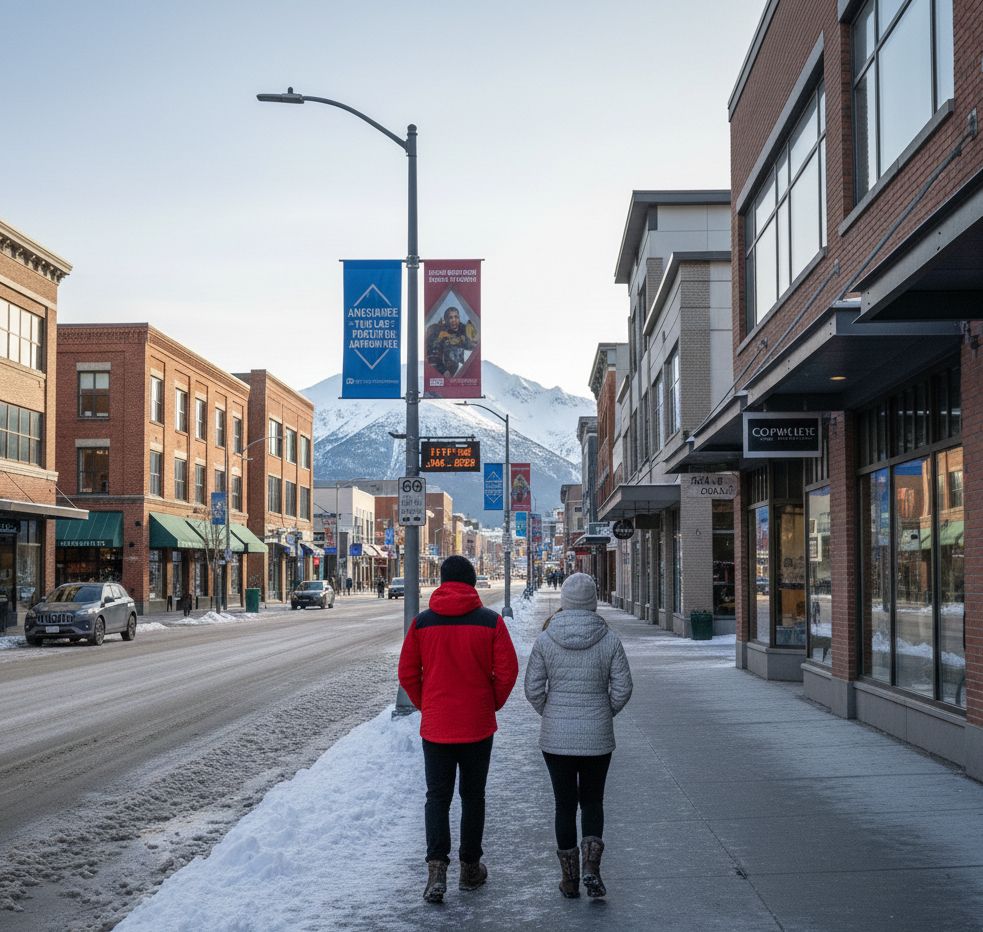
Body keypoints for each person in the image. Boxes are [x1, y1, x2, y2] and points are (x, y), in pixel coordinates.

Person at [398, 555, 519, 905]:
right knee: (473, 796)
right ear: (472, 582)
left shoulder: (422, 624)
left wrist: (428, 704)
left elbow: (407, 673)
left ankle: (436, 870)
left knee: (437, 798)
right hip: (477, 725)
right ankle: (470, 868)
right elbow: (507, 671)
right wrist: (489, 702)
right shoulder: (491, 622)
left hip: (436, 726)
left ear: (441, 581)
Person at [524, 572, 632, 900]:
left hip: (556, 738)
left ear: (564, 602)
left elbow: (532, 689)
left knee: (564, 805)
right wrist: (603, 712)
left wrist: (552, 712)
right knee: (593, 801)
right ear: (594, 600)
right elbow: (623, 688)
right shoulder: (610, 639)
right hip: (597, 737)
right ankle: (592, 869)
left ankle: (569, 880)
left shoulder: (545, 639)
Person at [425, 306, 477, 377]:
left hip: (464, 372)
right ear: (446, 320)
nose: (454, 320)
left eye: (456, 317)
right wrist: (444, 371)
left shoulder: (465, 331)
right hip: (447, 373)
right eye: (451, 317)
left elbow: (474, 349)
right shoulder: (441, 334)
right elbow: (434, 357)